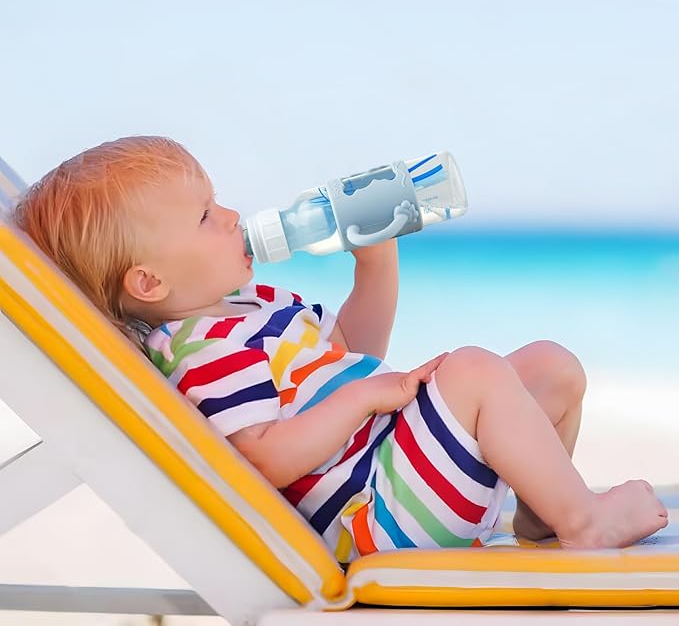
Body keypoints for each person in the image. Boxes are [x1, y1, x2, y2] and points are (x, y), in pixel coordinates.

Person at [13, 136, 668, 563]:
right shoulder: (202, 350)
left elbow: (358, 350)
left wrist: (375, 264)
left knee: (551, 366)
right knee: (472, 368)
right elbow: (263, 456)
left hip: (398, 466)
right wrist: (361, 400)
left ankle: (542, 515)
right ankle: (583, 522)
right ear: (150, 282)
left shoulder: (254, 305)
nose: (233, 216)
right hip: (374, 512)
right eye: (206, 216)